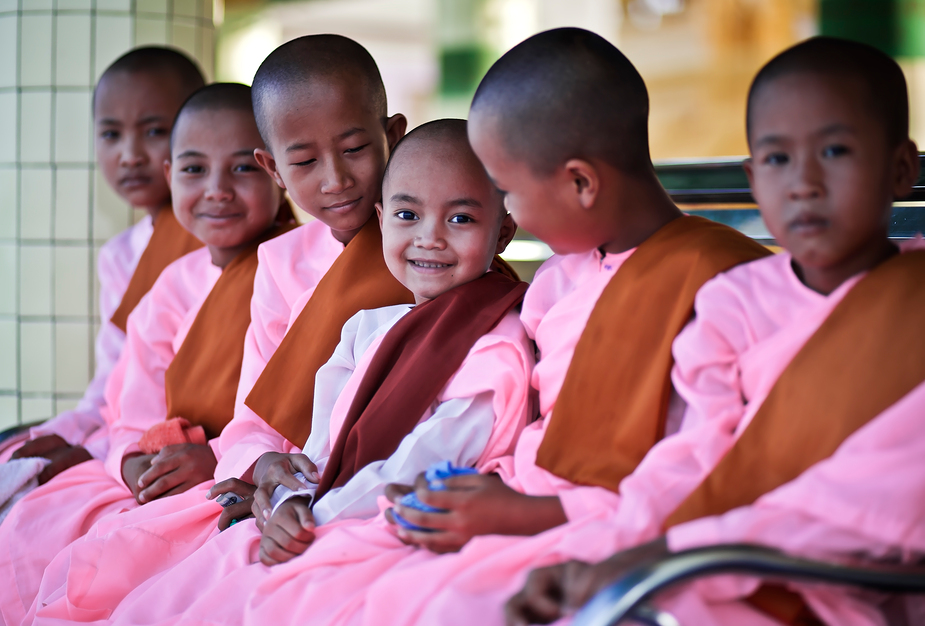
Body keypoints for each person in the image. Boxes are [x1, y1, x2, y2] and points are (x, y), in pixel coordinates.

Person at [48, 27, 768, 626]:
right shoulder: (557, 283)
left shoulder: (721, 280)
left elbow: (691, 460)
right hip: (428, 496)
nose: (504, 219)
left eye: (499, 195)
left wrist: (516, 509)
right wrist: (285, 480)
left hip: (557, 518)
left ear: (577, 183)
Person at [34, 119, 533, 626]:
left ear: (504, 233)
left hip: (381, 520)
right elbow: (319, 446)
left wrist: (310, 514)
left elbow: (425, 461)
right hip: (309, 510)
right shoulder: (367, 328)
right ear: (383, 220)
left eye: (462, 220)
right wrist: (285, 497)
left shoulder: (496, 340)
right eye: (408, 214)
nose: (429, 238)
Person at [507, 36, 925, 626]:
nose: (804, 182)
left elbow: (872, 498)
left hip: (846, 578)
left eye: (835, 151)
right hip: (704, 557)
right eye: (778, 160)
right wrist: (606, 550)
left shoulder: (916, 299)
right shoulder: (736, 299)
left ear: (901, 168)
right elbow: (690, 455)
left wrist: (669, 554)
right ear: (755, 180)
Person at [24, 34, 416, 622]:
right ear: (277, 168)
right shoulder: (281, 265)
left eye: (356, 148)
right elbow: (249, 423)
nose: (334, 179)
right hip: (279, 485)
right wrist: (260, 466)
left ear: (393, 137)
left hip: (381, 476)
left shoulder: (429, 247)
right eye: (305, 161)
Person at [0, 82, 294, 626]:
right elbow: (128, 412)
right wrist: (131, 462)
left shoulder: (299, 271)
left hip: (234, 472)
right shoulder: (170, 286)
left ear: (277, 172)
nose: (216, 191)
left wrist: (221, 458)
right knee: (38, 522)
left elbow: (298, 404)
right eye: (193, 170)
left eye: (241, 169)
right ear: (169, 178)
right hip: (159, 470)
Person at [1, 47, 205, 482]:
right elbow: (112, 380)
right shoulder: (119, 255)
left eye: (154, 131)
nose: (129, 155)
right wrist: (67, 433)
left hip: (187, 442)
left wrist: (93, 450)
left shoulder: (222, 241)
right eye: (111, 135)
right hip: (122, 436)